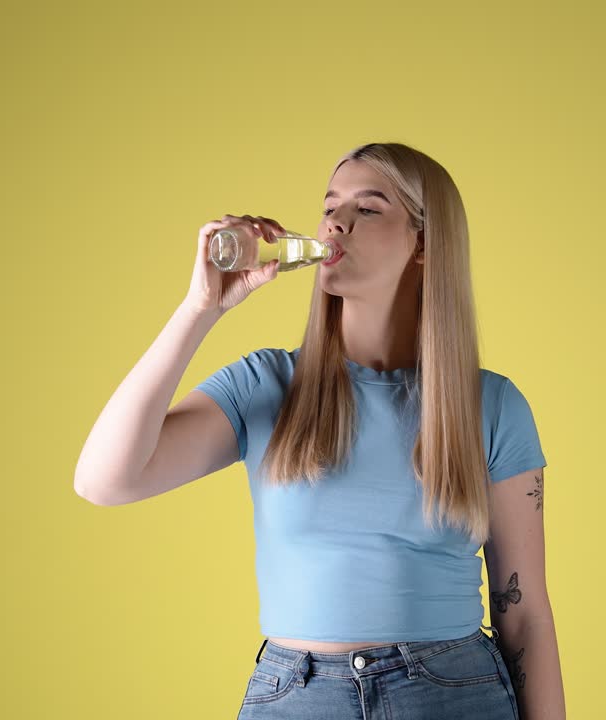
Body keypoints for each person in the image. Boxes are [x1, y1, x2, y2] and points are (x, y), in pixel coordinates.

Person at [75, 142, 564, 719]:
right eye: (330, 206)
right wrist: (200, 308)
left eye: (368, 208)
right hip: (296, 698)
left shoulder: (492, 405)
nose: (335, 221)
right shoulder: (265, 385)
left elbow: (524, 614)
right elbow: (105, 480)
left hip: (453, 694)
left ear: (424, 244)